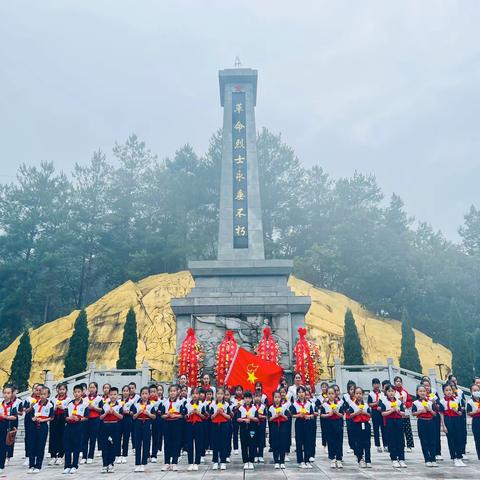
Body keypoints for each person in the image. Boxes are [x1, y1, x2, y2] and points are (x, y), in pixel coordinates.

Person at [439, 383, 466, 467]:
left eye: (450, 390)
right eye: (446, 390)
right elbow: (441, 414)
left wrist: (456, 411)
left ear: (452, 390)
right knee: (451, 439)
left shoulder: (457, 399)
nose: (449, 392)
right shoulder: (442, 401)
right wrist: (443, 425)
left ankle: (459, 457)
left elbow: (460, 413)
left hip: (456, 419)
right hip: (448, 420)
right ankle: (454, 457)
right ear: (443, 392)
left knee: (458, 438)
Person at [380, 383, 407, 468]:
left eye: (392, 391)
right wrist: (391, 410)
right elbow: (383, 413)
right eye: (389, 391)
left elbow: (404, 413)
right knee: (391, 439)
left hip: (398, 420)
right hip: (389, 421)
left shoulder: (399, 401)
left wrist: (398, 411)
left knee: (400, 439)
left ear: (395, 392)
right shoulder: (384, 401)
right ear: (386, 392)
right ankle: (394, 458)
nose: (391, 393)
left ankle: (402, 458)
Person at [28, 385, 54, 473]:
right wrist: (33, 419)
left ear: (48, 395)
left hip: (43, 426)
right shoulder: (35, 404)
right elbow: (31, 416)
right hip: (34, 426)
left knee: (40, 446)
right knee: (32, 445)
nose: (42, 396)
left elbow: (51, 417)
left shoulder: (50, 405)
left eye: (44, 394)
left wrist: (43, 420)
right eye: (41, 394)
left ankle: (38, 465)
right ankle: (31, 465)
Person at [63, 384, 88, 474]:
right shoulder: (69, 404)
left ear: (82, 393)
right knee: (67, 446)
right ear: (73, 393)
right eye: (75, 392)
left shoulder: (84, 404)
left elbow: (86, 417)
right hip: (69, 426)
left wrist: (79, 419)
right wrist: (68, 418)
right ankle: (67, 465)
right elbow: (65, 416)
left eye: (79, 392)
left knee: (76, 446)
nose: (77, 394)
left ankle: (74, 465)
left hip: (78, 427)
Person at [130, 386, 156, 472]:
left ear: (148, 395)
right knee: (138, 444)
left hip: (147, 424)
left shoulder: (151, 405)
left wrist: (147, 413)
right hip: (138, 423)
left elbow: (154, 416)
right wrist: (138, 413)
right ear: (140, 395)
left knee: (146, 443)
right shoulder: (136, 405)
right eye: (143, 394)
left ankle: (144, 462)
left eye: (146, 394)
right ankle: (137, 463)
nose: (144, 395)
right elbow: (133, 417)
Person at [412, 384, 437, 467]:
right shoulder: (415, 403)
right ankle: (427, 459)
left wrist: (430, 410)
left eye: (424, 391)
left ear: (427, 392)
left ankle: (433, 458)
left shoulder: (431, 402)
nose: (422, 392)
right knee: (424, 441)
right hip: (422, 422)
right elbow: (413, 413)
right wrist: (420, 411)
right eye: (420, 391)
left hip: (431, 422)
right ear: (417, 392)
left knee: (432, 441)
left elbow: (435, 414)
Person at [99, 386, 123, 473]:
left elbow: (121, 417)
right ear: (109, 395)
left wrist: (114, 412)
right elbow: (100, 417)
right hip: (105, 426)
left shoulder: (119, 406)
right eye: (111, 394)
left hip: (115, 426)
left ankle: (111, 463)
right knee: (105, 445)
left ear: (117, 395)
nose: (113, 396)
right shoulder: (105, 405)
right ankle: (105, 464)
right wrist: (106, 413)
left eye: (115, 394)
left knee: (113, 445)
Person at [290, 385, 314, 469]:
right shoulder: (295, 404)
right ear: (297, 394)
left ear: (305, 393)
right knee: (299, 442)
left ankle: (307, 460)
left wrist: (309, 416)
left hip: (307, 423)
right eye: (299, 392)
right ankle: (300, 461)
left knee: (307, 442)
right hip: (299, 423)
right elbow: (292, 415)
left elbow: (312, 414)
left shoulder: (308, 404)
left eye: (302, 392)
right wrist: (299, 415)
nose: (301, 394)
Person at [160, 384, 184, 471]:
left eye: (174, 391)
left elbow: (182, 415)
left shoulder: (180, 403)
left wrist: (174, 416)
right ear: (168, 392)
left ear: (177, 392)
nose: (172, 393)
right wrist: (167, 415)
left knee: (176, 443)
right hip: (167, 424)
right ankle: (167, 462)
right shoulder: (165, 403)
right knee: (167, 443)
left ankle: (174, 462)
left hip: (176, 424)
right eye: (171, 391)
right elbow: (161, 415)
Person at [320, 386, 344, 469]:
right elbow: (322, 415)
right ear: (327, 395)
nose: (331, 395)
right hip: (329, 424)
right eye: (329, 394)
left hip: (337, 423)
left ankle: (339, 458)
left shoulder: (339, 404)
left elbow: (342, 415)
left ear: (335, 394)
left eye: (332, 393)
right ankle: (332, 458)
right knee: (330, 441)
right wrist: (329, 414)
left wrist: (336, 412)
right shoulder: (325, 405)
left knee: (338, 441)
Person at [348, 386, 372, 468]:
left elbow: (370, 415)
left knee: (367, 442)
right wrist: (357, 413)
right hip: (356, 425)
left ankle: (368, 460)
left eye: (360, 393)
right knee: (359, 443)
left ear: (363, 394)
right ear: (354, 394)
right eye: (357, 393)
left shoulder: (366, 405)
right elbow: (349, 416)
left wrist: (364, 412)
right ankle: (360, 459)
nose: (358, 395)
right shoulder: (352, 405)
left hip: (365, 424)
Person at [209, 387, 231, 470]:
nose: (220, 396)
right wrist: (216, 413)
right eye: (218, 394)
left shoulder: (226, 405)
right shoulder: (212, 405)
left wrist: (222, 413)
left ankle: (223, 461)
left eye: (222, 394)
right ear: (216, 395)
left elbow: (229, 417)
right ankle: (215, 461)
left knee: (223, 443)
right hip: (215, 425)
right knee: (215, 443)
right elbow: (210, 417)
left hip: (224, 425)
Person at [48, 383, 70, 465]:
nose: (61, 391)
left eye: (63, 389)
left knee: (62, 436)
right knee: (53, 437)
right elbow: (49, 409)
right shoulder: (53, 399)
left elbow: (69, 410)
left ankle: (61, 455)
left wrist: (63, 408)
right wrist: (55, 408)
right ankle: (53, 455)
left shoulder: (68, 399)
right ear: (57, 390)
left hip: (63, 419)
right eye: (60, 389)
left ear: (66, 390)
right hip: (54, 418)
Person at [236, 390, 258, 470]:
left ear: (251, 399)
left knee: (252, 444)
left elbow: (257, 419)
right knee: (244, 445)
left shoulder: (254, 408)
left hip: (252, 429)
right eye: (246, 398)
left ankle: (251, 461)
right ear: (243, 399)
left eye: (249, 398)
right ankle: (245, 461)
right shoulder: (241, 408)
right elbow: (237, 419)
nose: (247, 400)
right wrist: (244, 419)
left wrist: (251, 418)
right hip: (243, 429)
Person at [184, 387, 205, 471]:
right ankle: (190, 462)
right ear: (191, 395)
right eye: (193, 393)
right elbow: (184, 416)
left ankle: (196, 462)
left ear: (199, 395)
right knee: (190, 443)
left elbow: (205, 417)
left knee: (198, 443)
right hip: (189, 425)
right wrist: (190, 413)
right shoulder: (187, 405)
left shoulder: (202, 405)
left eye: (197, 393)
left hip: (199, 425)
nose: (195, 395)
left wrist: (198, 413)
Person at [268, 390, 290, 468]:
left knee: (282, 443)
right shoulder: (271, 408)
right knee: (275, 444)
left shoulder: (284, 407)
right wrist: (275, 416)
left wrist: (282, 415)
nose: (277, 399)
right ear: (273, 398)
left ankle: (282, 461)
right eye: (275, 397)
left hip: (283, 426)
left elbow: (288, 418)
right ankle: (276, 461)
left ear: (281, 398)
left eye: (278, 397)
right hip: (274, 427)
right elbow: (269, 419)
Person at [81, 381, 102, 464]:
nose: (91, 389)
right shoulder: (84, 399)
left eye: (93, 387)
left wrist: (94, 408)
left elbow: (101, 409)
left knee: (93, 438)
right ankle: (84, 456)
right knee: (84, 438)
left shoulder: (99, 399)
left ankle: (90, 456)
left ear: (96, 388)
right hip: (86, 420)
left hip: (95, 419)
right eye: (90, 387)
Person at [0, 385, 19, 475]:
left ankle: (1, 465)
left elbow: (14, 417)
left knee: (3, 447)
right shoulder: (0, 403)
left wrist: (5, 417)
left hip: (5, 426)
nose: (6, 395)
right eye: (5, 393)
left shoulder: (13, 405)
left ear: (11, 394)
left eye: (8, 393)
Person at [23, 383, 42, 467]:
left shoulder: (43, 399)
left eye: (40, 390)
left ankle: (38, 456)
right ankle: (28, 456)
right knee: (29, 439)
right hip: (29, 421)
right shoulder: (28, 399)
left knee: (38, 439)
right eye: (36, 389)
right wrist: (31, 406)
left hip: (39, 420)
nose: (38, 392)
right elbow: (25, 411)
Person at [393, 376, 414, 451]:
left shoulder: (405, 391)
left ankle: (409, 446)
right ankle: (401, 445)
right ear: (394, 382)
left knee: (407, 429)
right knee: (399, 430)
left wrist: (406, 405)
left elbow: (410, 400)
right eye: (397, 381)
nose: (398, 383)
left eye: (400, 381)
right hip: (397, 412)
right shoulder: (393, 391)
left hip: (405, 411)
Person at [116, 385, 133, 464]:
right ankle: (118, 455)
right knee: (118, 437)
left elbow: (134, 412)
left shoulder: (131, 402)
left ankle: (124, 455)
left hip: (127, 420)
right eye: (124, 391)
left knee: (126, 438)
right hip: (119, 420)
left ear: (129, 392)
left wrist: (128, 412)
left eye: (127, 391)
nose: (125, 392)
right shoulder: (118, 401)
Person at [368, 378, 385, 453]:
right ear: (372, 385)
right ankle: (378, 445)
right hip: (374, 412)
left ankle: (385, 444)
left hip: (381, 411)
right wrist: (376, 403)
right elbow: (369, 404)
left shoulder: (383, 394)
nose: (376, 385)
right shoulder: (371, 394)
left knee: (384, 428)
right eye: (375, 384)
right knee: (376, 429)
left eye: (378, 383)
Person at [147, 384, 162, 463]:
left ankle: (154, 455)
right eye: (151, 392)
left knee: (155, 437)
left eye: (154, 392)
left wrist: (159, 412)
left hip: (157, 421)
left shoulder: (160, 402)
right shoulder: (146, 402)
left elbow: (161, 411)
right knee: (147, 438)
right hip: (148, 420)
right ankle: (147, 454)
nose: (153, 393)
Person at [466, 383, 480, 460]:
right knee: (478, 438)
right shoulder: (470, 402)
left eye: (478, 390)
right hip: (476, 421)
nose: (476, 391)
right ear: (471, 392)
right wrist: (476, 412)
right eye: (474, 390)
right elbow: (468, 413)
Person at [342, 381, 356, 453]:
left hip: (356, 416)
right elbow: (343, 406)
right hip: (349, 417)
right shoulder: (345, 396)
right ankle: (351, 446)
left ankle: (357, 445)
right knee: (350, 431)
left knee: (356, 431)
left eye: (353, 389)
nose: (352, 391)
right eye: (351, 389)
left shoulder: (357, 395)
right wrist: (346, 410)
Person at [253, 391, 267, 463]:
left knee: (261, 440)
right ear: (253, 397)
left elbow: (266, 416)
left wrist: (261, 416)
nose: (257, 398)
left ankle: (261, 455)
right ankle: (255, 455)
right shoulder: (252, 406)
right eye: (256, 396)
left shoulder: (263, 406)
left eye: (259, 396)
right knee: (254, 440)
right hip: (254, 426)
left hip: (261, 425)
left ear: (261, 398)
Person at [231, 385, 244, 455]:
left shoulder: (244, 399)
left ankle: (243, 446)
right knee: (235, 433)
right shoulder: (233, 400)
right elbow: (231, 409)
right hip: (234, 417)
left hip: (242, 417)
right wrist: (237, 406)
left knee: (242, 433)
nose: (239, 392)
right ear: (235, 391)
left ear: (242, 391)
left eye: (240, 390)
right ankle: (235, 448)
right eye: (237, 390)